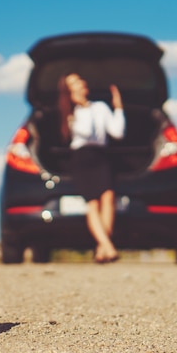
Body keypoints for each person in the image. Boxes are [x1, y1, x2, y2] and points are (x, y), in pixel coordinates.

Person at [57, 73, 125, 263]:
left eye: (80, 81)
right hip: (81, 157)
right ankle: (108, 246)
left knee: (108, 197)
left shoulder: (101, 107)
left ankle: (101, 248)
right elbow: (86, 132)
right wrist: (78, 105)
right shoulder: (70, 114)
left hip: (101, 155)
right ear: (68, 91)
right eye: (74, 83)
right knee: (92, 203)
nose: (80, 84)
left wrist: (118, 107)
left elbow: (117, 132)